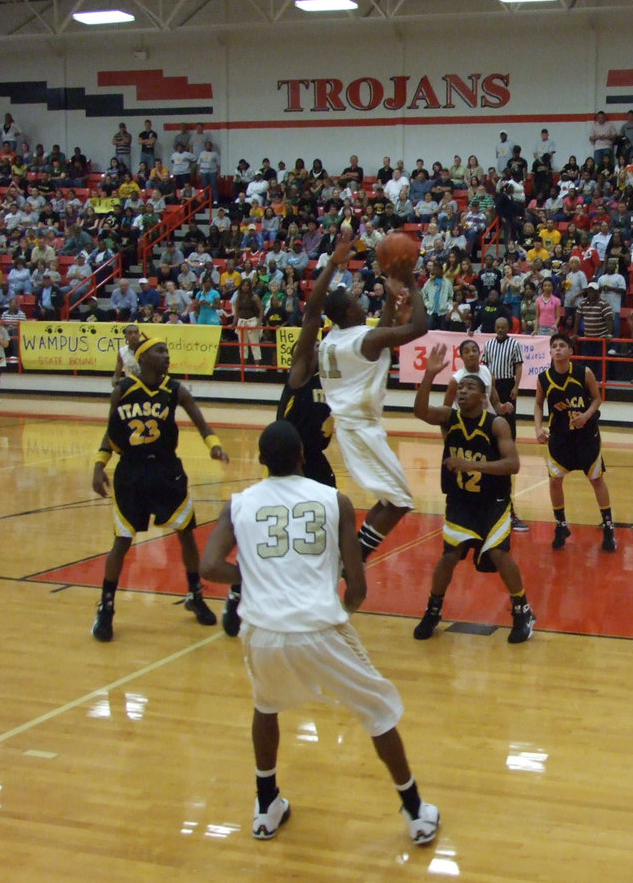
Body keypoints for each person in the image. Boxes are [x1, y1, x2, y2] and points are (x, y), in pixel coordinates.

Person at [199, 421, 439, 845]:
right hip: (319, 627)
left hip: (263, 631)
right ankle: (416, 811)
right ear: (303, 456)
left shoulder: (239, 504)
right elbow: (357, 588)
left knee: (265, 706)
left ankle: (265, 805)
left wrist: (251, 578)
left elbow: (209, 567)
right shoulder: (334, 501)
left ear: (260, 460)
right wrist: (343, 612)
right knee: (378, 712)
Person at [222, 233, 354, 638]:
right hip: (287, 465)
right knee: (274, 531)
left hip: (315, 463)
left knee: (328, 530)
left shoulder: (337, 380)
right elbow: (313, 312)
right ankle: (239, 589)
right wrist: (332, 265)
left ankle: (318, 595)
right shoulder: (302, 370)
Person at [90, 337, 230, 641]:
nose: (167, 356)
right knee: (122, 541)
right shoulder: (123, 390)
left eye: (167, 351)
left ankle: (195, 594)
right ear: (143, 358)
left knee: (186, 534)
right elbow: (111, 433)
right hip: (131, 471)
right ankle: (106, 608)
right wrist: (99, 465)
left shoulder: (175, 390)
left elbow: (201, 423)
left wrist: (214, 445)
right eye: (160, 351)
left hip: (166, 469)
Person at [411, 343, 534, 643]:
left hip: (494, 502)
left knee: (498, 554)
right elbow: (420, 411)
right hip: (461, 501)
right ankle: (433, 609)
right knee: (449, 556)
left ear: (483, 397)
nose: (463, 391)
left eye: (470, 388)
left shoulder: (497, 424)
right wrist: (429, 375)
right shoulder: (449, 417)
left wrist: (470, 464)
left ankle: (523, 610)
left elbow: (513, 465)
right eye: (461, 387)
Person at [318, 241, 428, 567]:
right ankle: (351, 560)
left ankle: (350, 556)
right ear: (349, 313)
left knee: (390, 499)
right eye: (355, 301)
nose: (360, 301)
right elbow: (419, 327)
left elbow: (381, 333)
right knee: (400, 501)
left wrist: (392, 300)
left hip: (355, 427)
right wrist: (410, 282)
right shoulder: (363, 339)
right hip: (360, 429)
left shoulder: (334, 338)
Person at [534, 333, 616, 552]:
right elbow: (538, 404)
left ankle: (608, 527)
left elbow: (597, 399)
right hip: (560, 437)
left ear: (571, 351)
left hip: (586, 436)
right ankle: (561, 525)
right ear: (550, 352)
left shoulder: (583, 372)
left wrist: (586, 416)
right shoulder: (543, 378)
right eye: (554, 346)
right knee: (554, 481)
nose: (558, 349)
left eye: (562, 345)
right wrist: (538, 428)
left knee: (596, 480)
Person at [443, 336, 528, 531]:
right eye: (467, 351)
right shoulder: (456, 379)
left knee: (500, 474)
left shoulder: (487, 373)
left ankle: (509, 513)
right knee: (469, 477)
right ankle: (466, 514)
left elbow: (495, 402)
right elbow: (445, 412)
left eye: (474, 350)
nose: (471, 354)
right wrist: (448, 439)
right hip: (467, 432)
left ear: (479, 353)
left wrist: (503, 407)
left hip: (488, 430)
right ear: (461, 355)